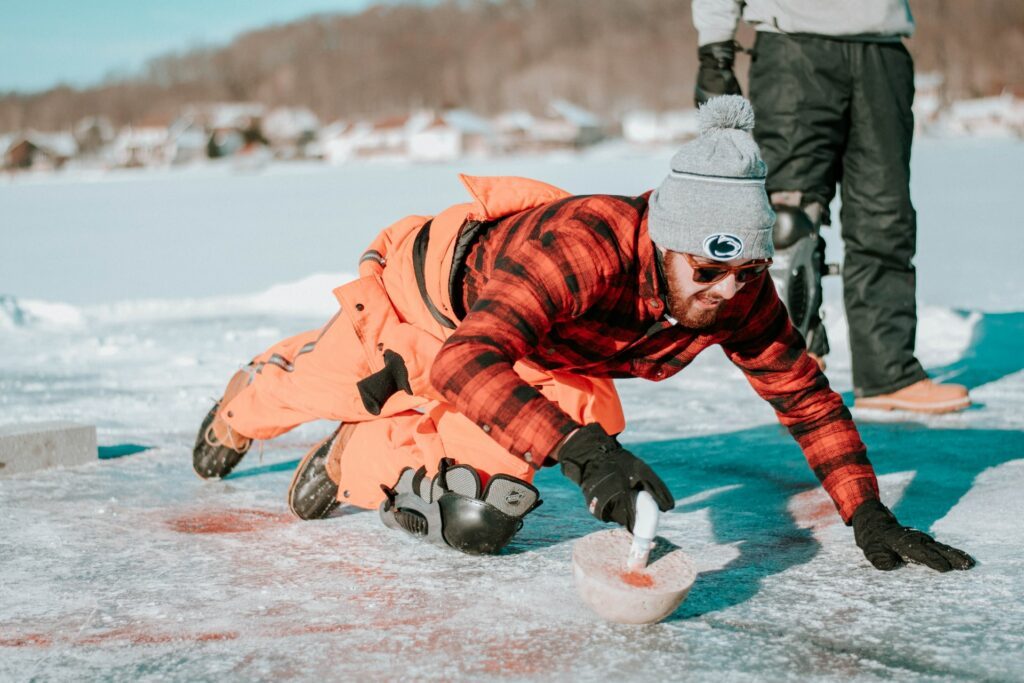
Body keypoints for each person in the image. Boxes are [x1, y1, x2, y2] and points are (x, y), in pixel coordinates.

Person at [192, 96, 973, 571]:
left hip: (542, 356)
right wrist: (582, 450)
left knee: (478, 516)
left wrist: (865, 509)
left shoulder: (737, 290)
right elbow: (468, 356)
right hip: (423, 307)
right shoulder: (586, 244)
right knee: (327, 387)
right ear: (666, 242)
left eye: (745, 273)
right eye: (706, 272)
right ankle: (248, 399)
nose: (725, 294)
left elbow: (804, 398)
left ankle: (355, 452)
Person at [692, 0, 971, 414]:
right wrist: (716, 48)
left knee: (885, 215)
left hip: (881, 44)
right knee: (789, 218)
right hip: (793, 47)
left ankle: (887, 372)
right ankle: (794, 367)